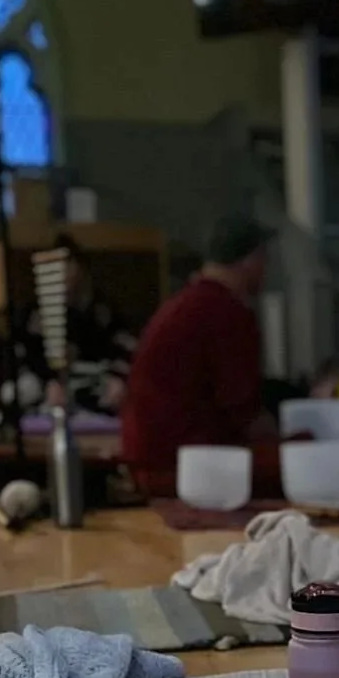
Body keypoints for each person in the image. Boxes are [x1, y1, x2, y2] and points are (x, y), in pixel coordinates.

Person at [121, 212, 278, 497]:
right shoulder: (226, 313)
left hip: (148, 456)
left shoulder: (185, 303)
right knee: (306, 458)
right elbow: (245, 413)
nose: (267, 268)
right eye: (265, 258)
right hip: (182, 466)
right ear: (250, 259)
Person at [23, 234, 136, 413]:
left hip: (92, 381)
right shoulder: (38, 312)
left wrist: (118, 378)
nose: (63, 272)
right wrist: (49, 380)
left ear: (81, 268)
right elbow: (29, 354)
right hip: (47, 385)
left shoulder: (101, 310)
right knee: (25, 389)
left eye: (69, 264)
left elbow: (125, 347)